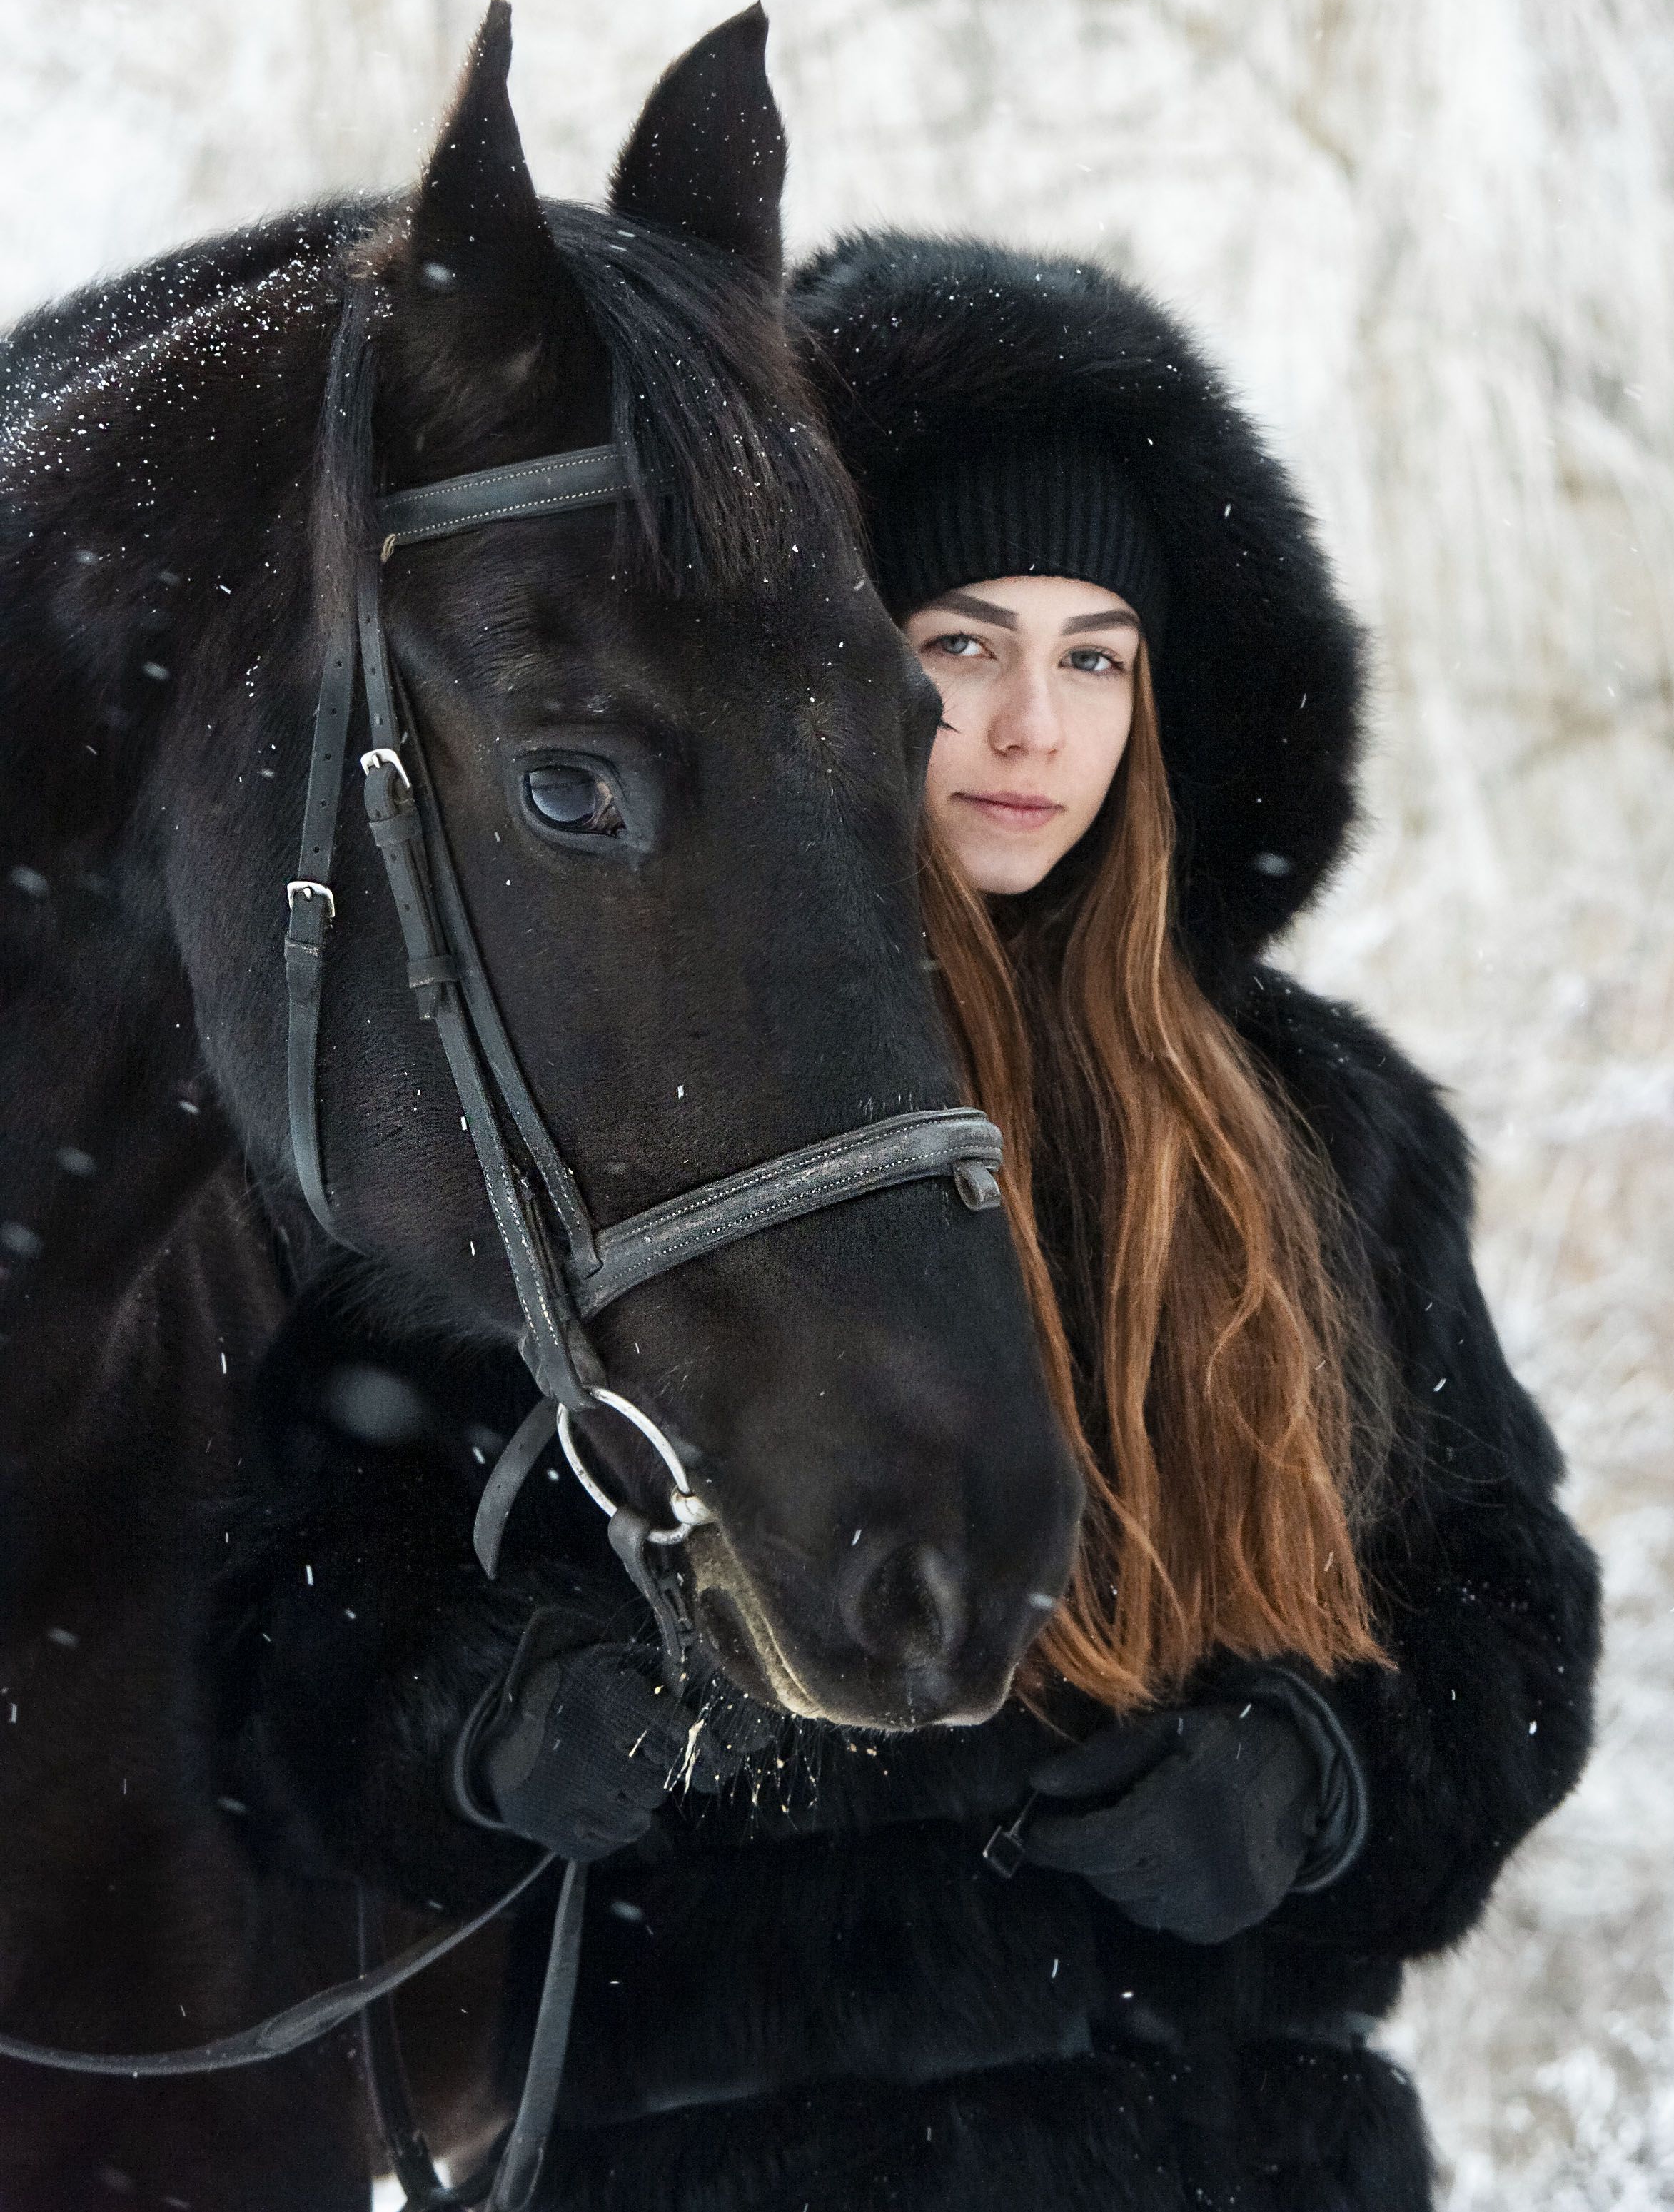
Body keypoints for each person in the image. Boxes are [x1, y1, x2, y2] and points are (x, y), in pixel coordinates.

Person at [216, 235, 1600, 2211]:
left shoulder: (1315, 1131)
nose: (1035, 726)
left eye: (1094, 656)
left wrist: (1322, 1785)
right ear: (835, 677)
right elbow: (292, 1620)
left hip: (1224, 2158)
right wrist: (485, 1727)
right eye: (964, 646)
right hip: (710, 2165)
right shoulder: (589, 1098)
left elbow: (1507, 1601)